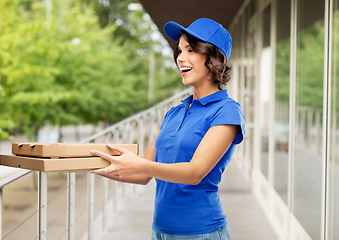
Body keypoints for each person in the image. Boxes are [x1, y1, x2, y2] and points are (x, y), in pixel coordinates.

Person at [90, 18, 245, 240]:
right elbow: (144, 173)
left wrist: (140, 163)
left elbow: (195, 173)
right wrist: (85, 161)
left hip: (201, 232)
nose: (180, 58)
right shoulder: (174, 112)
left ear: (214, 58)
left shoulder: (227, 111)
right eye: (180, 50)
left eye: (190, 49)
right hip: (160, 231)